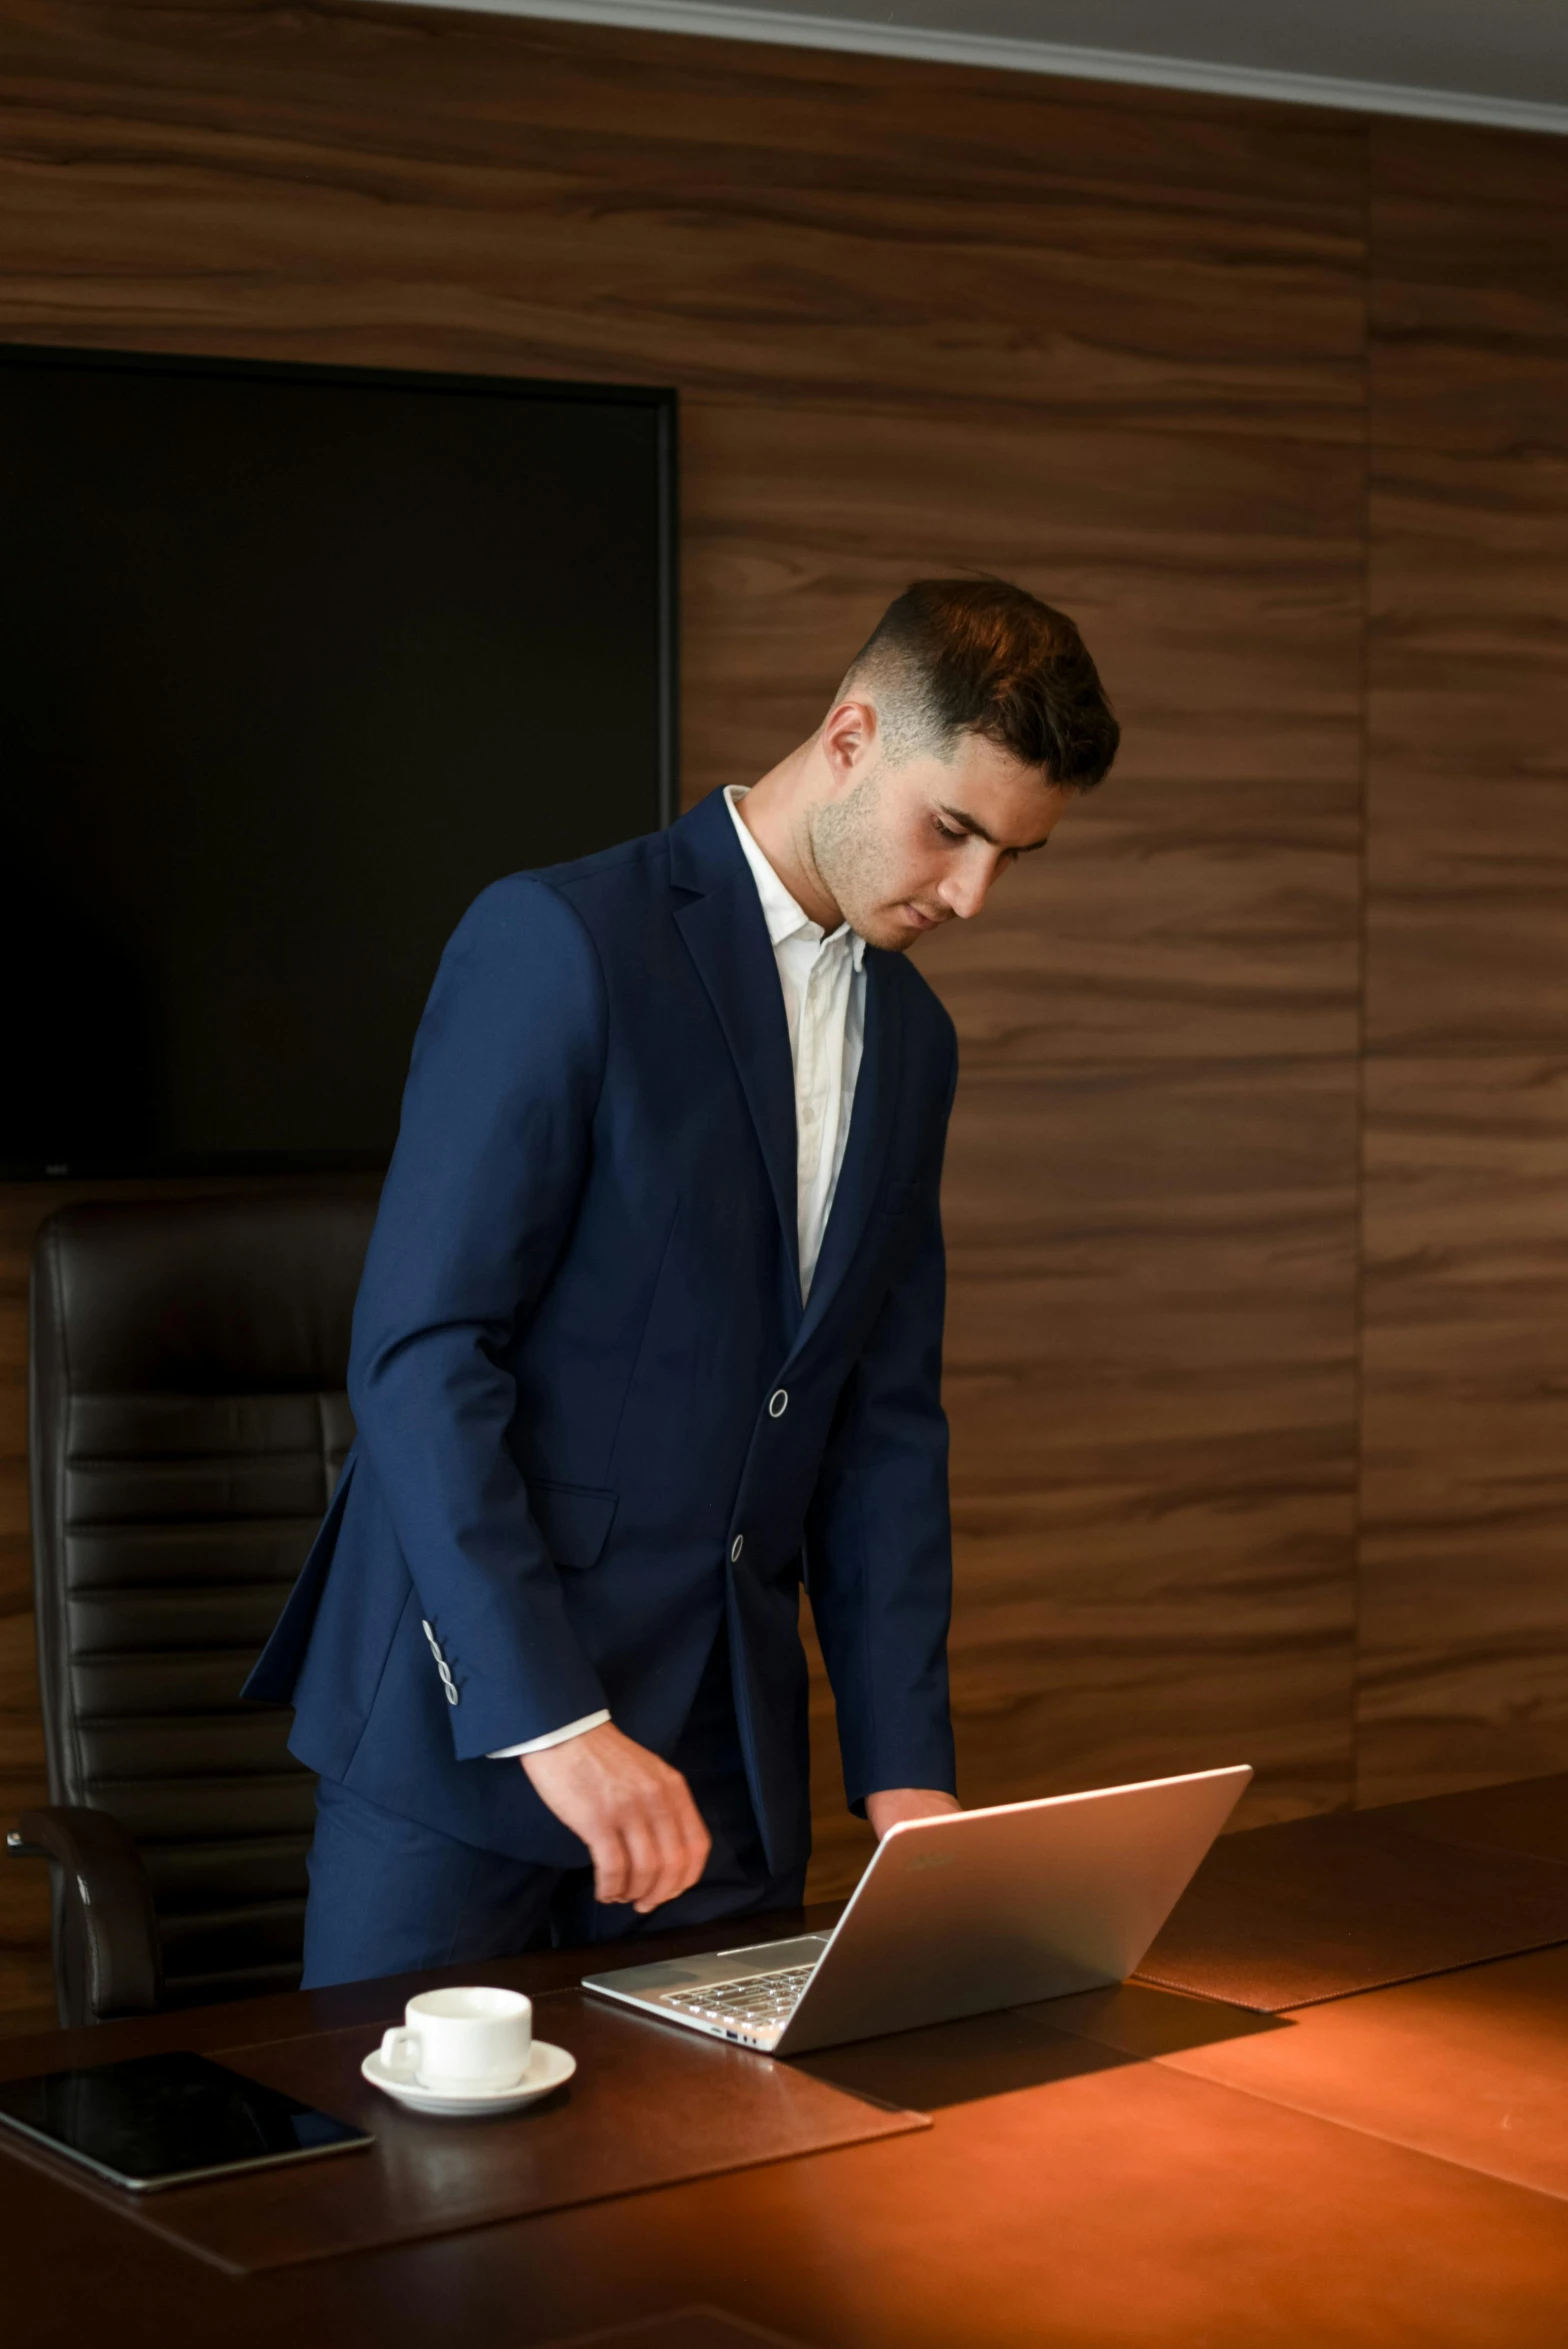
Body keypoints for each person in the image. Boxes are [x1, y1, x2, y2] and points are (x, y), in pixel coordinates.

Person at [245, 575, 1120, 1986]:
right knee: (395, 2183)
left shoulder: (917, 1041)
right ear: (849, 738)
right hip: (469, 1723)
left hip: (724, 1753)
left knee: (703, 2192)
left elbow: (880, 1421)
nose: (970, 894)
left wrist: (908, 1776)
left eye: (1012, 857)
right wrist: (554, 1723)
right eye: (952, 831)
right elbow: (423, 1353)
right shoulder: (559, 942)